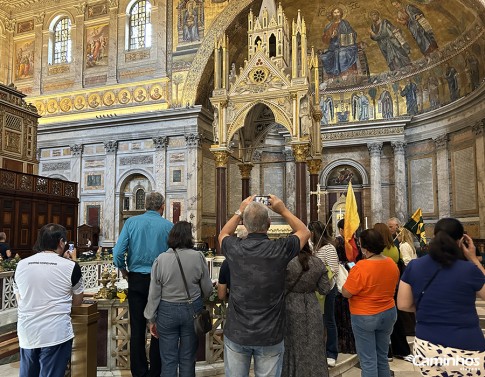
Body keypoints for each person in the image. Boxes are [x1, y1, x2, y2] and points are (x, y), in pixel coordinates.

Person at [219, 195, 310, 377]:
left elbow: (222, 234)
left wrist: (240, 210)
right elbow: (304, 232)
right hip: (270, 333)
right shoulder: (280, 249)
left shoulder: (234, 248)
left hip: (238, 331)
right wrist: (282, 210)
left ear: (244, 224)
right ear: (269, 224)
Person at [398, 218, 485, 376]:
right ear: (461, 241)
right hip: (466, 345)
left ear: (435, 236)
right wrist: (473, 258)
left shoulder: (414, 266)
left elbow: (403, 304)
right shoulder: (469, 270)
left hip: (428, 345)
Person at [113, 191, 174, 377]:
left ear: (145, 205)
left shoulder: (131, 223)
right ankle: (156, 371)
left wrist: (123, 270)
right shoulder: (169, 226)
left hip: (136, 280)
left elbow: (117, 253)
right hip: (161, 281)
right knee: (159, 326)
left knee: (137, 327)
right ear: (162, 207)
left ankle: (139, 372)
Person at [13, 223, 84, 377]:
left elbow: (20, 298)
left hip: (28, 331)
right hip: (56, 333)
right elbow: (78, 300)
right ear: (61, 242)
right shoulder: (71, 267)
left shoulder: (21, 265)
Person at [144, 221, 212, 377]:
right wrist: (198, 298)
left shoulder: (160, 259)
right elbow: (207, 289)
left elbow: (154, 294)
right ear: (190, 237)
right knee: (188, 359)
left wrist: (151, 319)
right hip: (192, 310)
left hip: (166, 312)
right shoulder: (198, 257)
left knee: (168, 360)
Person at [342, 229, 399, 377]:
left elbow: (346, 292)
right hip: (388, 312)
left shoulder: (361, 267)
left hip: (365, 315)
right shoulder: (392, 264)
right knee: (382, 357)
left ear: (365, 248)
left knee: (368, 360)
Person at [282, 242, 331, 377]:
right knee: (314, 345)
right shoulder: (317, 262)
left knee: (292, 346)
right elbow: (325, 289)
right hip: (312, 307)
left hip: (290, 306)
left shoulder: (286, 263)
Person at [374, 222, 411, 360]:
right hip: (394, 287)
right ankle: (401, 350)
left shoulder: (380, 251)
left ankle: (387, 352)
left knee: (382, 324)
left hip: (380, 289)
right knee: (396, 321)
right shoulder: (395, 248)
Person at [308, 220, 339, 367]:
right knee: (317, 321)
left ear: (314, 232)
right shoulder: (313, 247)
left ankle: (331, 352)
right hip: (314, 289)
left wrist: (318, 276)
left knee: (329, 320)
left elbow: (333, 269)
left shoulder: (329, 248)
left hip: (327, 289)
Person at [334, 219, 359, 355]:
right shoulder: (355, 243)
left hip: (342, 280)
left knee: (342, 314)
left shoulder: (338, 243)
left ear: (341, 230)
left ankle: (344, 345)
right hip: (353, 278)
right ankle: (351, 344)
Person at [321, 7, 358, 77]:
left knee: (341, 54)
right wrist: (331, 36)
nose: (336, 14)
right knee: (325, 57)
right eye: (334, 13)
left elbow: (353, 34)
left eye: (338, 12)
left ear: (341, 14)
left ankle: (345, 73)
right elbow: (324, 39)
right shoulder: (329, 26)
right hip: (333, 48)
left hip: (346, 46)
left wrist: (341, 35)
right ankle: (332, 76)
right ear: (332, 14)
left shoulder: (345, 23)